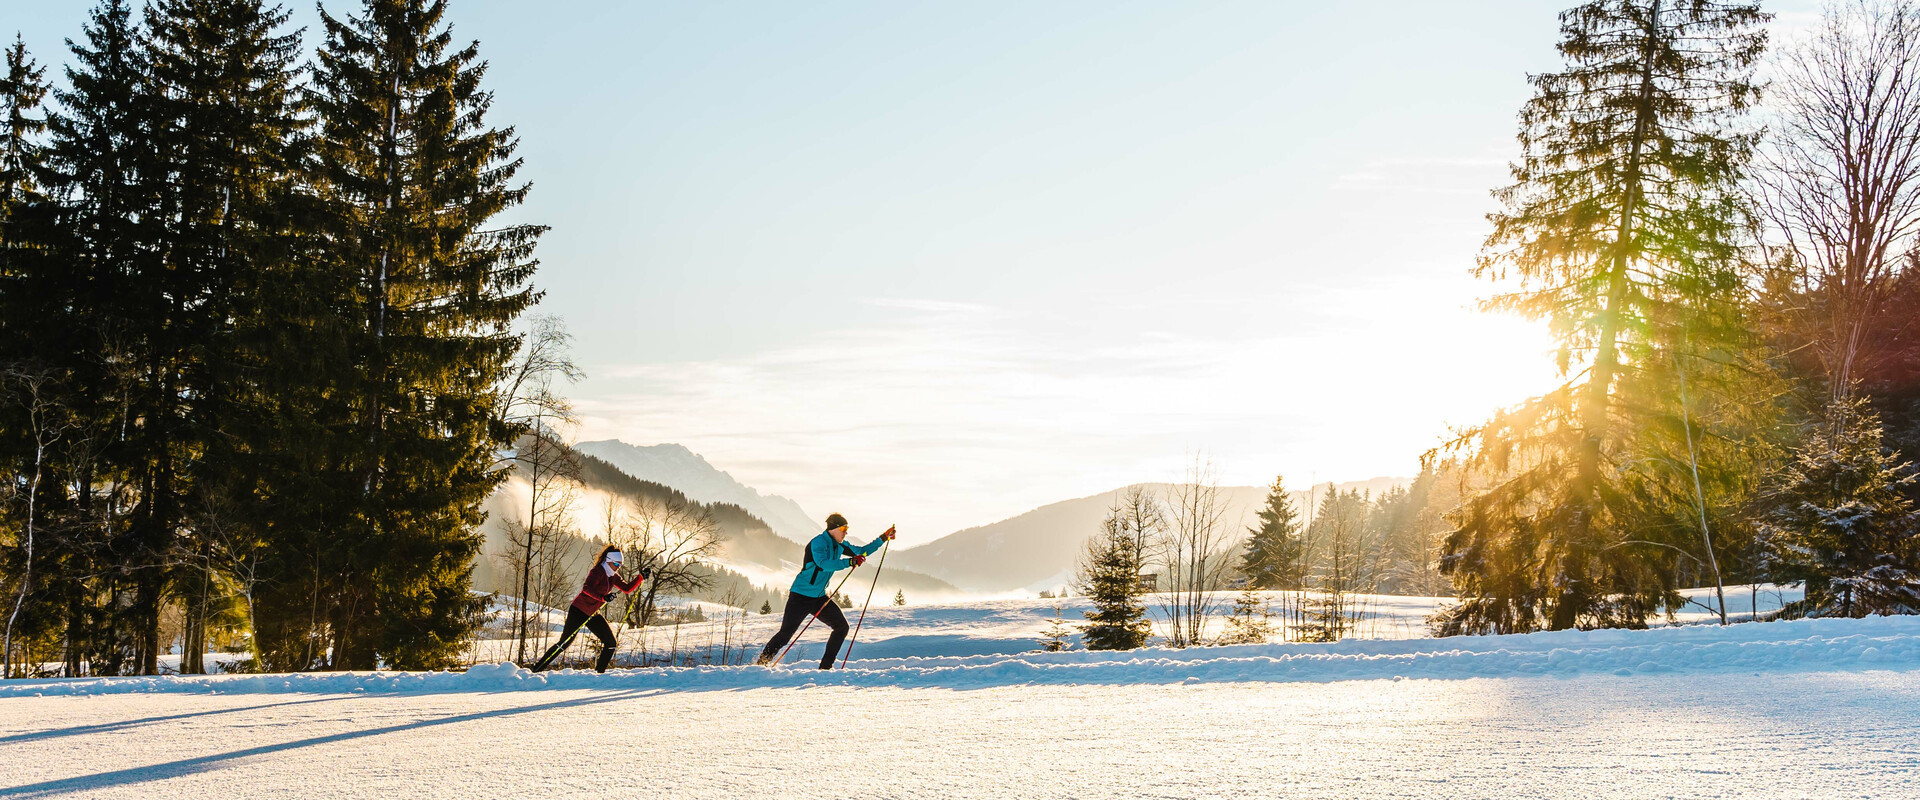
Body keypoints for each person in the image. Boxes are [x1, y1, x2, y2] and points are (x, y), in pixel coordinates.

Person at [756, 513, 894, 669]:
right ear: (834, 528)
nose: (846, 532)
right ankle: (760, 665)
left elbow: (862, 550)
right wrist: (850, 561)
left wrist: (884, 537)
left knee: (842, 627)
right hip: (800, 597)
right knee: (785, 635)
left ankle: (825, 668)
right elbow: (824, 564)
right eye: (844, 528)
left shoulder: (840, 545)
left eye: (846, 529)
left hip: (819, 598)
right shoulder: (818, 543)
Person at [531, 544, 647, 673]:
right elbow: (586, 588)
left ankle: (599, 673)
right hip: (578, 611)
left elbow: (626, 589)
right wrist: (603, 598)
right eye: (616, 564)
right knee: (564, 643)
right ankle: (536, 670)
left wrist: (640, 577)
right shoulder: (597, 571)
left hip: (592, 614)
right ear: (608, 561)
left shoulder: (613, 576)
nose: (618, 567)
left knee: (611, 643)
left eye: (620, 565)